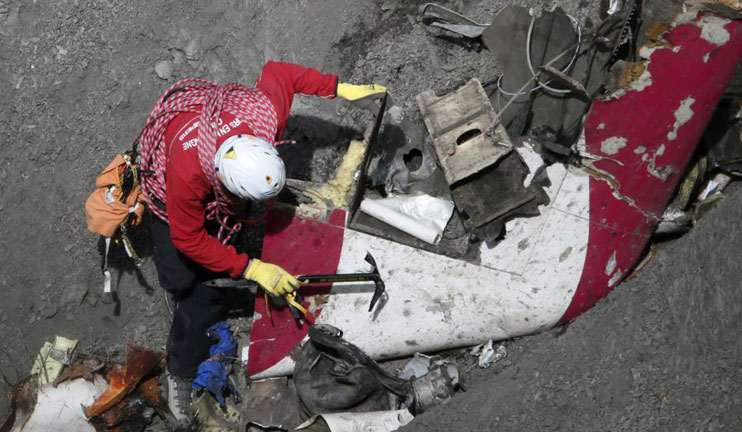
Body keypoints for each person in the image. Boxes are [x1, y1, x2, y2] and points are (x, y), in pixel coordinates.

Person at [135, 61, 386, 422]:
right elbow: (188, 238)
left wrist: (339, 87)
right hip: (167, 174)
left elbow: (279, 73)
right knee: (188, 281)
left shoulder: (264, 120)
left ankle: (206, 273)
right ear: (221, 182)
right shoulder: (187, 174)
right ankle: (181, 368)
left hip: (215, 154)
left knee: (219, 250)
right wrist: (253, 268)